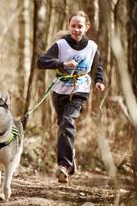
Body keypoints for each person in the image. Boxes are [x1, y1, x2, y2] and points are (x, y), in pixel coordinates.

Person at [37, 11, 105, 183]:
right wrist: (62, 64)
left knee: (67, 121)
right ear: (69, 26)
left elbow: (98, 66)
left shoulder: (92, 47)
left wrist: (99, 81)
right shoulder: (60, 45)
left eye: (80, 26)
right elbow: (41, 62)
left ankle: (63, 165)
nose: (76, 29)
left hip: (80, 90)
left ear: (86, 27)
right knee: (63, 125)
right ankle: (70, 162)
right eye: (73, 26)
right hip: (60, 90)